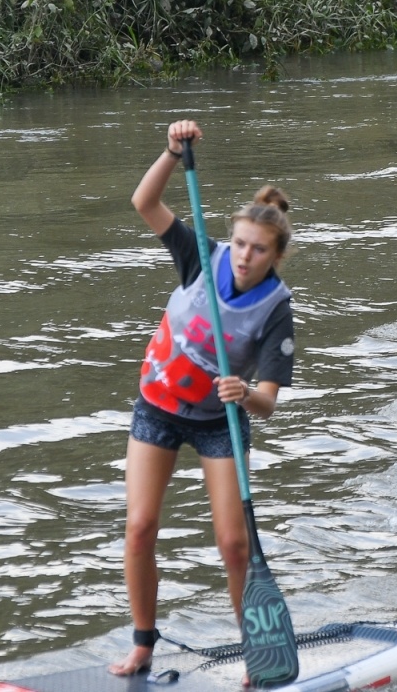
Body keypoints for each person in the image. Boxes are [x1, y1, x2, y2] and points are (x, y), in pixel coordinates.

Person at [110, 119, 297, 677]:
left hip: (221, 423)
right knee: (140, 527)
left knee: (234, 546)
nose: (243, 257)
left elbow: (269, 400)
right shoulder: (199, 254)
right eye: (240, 243)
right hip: (157, 409)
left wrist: (245, 393)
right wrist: (171, 153)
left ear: (274, 255)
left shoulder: (275, 308)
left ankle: (254, 652)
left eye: (258, 250)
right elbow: (145, 201)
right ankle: (143, 643)